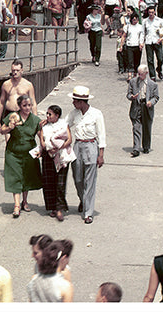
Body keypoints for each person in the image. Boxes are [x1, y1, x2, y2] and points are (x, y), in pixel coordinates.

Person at [66, 86, 106, 224]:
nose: (73, 103)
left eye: (75, 101)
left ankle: (88, 212)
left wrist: (101, 155)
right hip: (77, 146)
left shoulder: (96, 114)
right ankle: (83, 200)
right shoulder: (74, 113)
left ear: (81, 101)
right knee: (78, 179)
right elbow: (64, 125)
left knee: (90, 181)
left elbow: (101, 135)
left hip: (91, 146)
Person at [0, 95, 42, 217]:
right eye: (24, 105)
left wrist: (42, 149)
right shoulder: (13, 116)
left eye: (29, 105)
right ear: (19, 106)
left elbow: (41, 136)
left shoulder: (35, 120)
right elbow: (2, 130)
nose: (27, 108)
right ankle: (17, 205)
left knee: (26, 177)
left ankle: (25, 201)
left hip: (29, 153)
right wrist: (9, 127)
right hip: (13, 152)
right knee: (15, 177)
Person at [37, 104, 75, 221]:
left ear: (57, 115)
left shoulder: (64, 124)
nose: (47, 116)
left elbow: (69, 139)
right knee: (49, 182)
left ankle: (59, 208)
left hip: (61, 156)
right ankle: (52, 207)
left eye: (50, 114)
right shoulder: (44, 126)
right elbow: (42, 141)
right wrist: (48, 147)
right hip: (48, 156)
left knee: (60, 183)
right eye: (47, 114)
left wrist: (59, 147)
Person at [126, 64, 159, 157]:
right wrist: (132, 97)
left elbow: (156, 97)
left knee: (147, 127)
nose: (139, 76)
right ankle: (136, 148)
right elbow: (128, 94)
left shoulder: (153, 84)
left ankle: (146, 146)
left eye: (141, 74)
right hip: (136, 106)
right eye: (138, 74)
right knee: (136, 127)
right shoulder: (133, 82)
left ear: (146, 73)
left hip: (146, 106)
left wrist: (151, 102)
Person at [0, 59, 37, 132]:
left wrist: (35, 120)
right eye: (13, 70)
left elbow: (33, 103)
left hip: (22, 113)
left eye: (17, 70)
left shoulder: (28, 85)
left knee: (22, 138)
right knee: (8, 140)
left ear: (22, 70)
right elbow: (1, 102)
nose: (15, 72)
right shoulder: (6, 84)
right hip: (9, 113)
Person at [142, 6, 163, 82]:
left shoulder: (160, 21)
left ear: (155, 12)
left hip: (157, 41)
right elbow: (143, 33)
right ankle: (152, 75)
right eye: (149, 12)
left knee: (161, 58)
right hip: (149, 42)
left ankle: (159, 69)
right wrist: (141, 42)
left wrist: (161, 38)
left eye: (152, 12)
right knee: (150, 60)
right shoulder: (145, 21)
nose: (151, 14)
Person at [122, 12, 144, 81]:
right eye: (133, 19)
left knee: (137, 61)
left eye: (136, 19)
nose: (135, 21)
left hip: (137, 46)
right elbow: (124, 36)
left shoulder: (140, 27)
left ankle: (135, 74)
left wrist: (141, 43)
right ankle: (129, 75)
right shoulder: (127, 27)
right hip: (129, 45)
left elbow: (142, 36)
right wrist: (121, 45)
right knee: (130, 60)